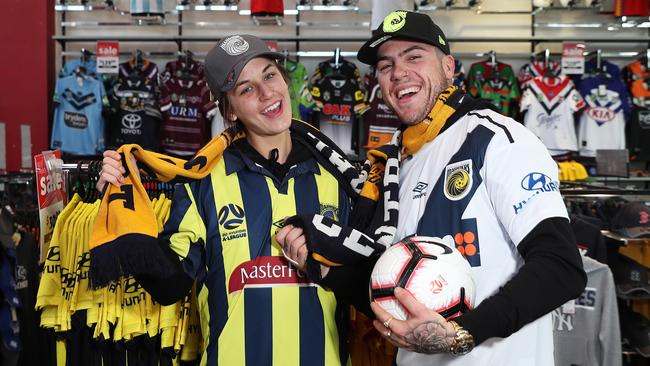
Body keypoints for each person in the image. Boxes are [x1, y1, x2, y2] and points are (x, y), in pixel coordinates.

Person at [278, 10, 587, 366]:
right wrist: (323, 268)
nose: (398, 73)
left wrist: (461, 334)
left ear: (449, 67)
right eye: (385, 65)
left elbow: (561, 268)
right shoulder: (395, 163)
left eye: (414, 56)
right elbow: (392, 294)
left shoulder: (498, 139)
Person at [97, 34, 362, 366]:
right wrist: (124, 205)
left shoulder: (340, 177)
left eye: (269, 75)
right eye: (246, 89)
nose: (267, 93)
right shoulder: (203, 181)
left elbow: (362, 287)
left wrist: (324, 267)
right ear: (230, 111)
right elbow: (169, 287)